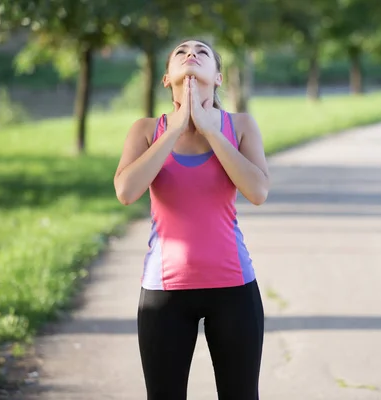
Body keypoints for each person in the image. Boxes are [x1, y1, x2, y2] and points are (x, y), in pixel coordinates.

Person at [113, 38, 270, 400]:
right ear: (167, 78)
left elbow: (258, 192)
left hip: (234, 289)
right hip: (164, 292)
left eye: (202, 52)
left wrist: (209, 129)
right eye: (181, 52)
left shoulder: (240, 126)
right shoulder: (145, 130)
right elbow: (126, 191)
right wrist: (175, 128)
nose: (191, 54)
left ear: (217, 78)